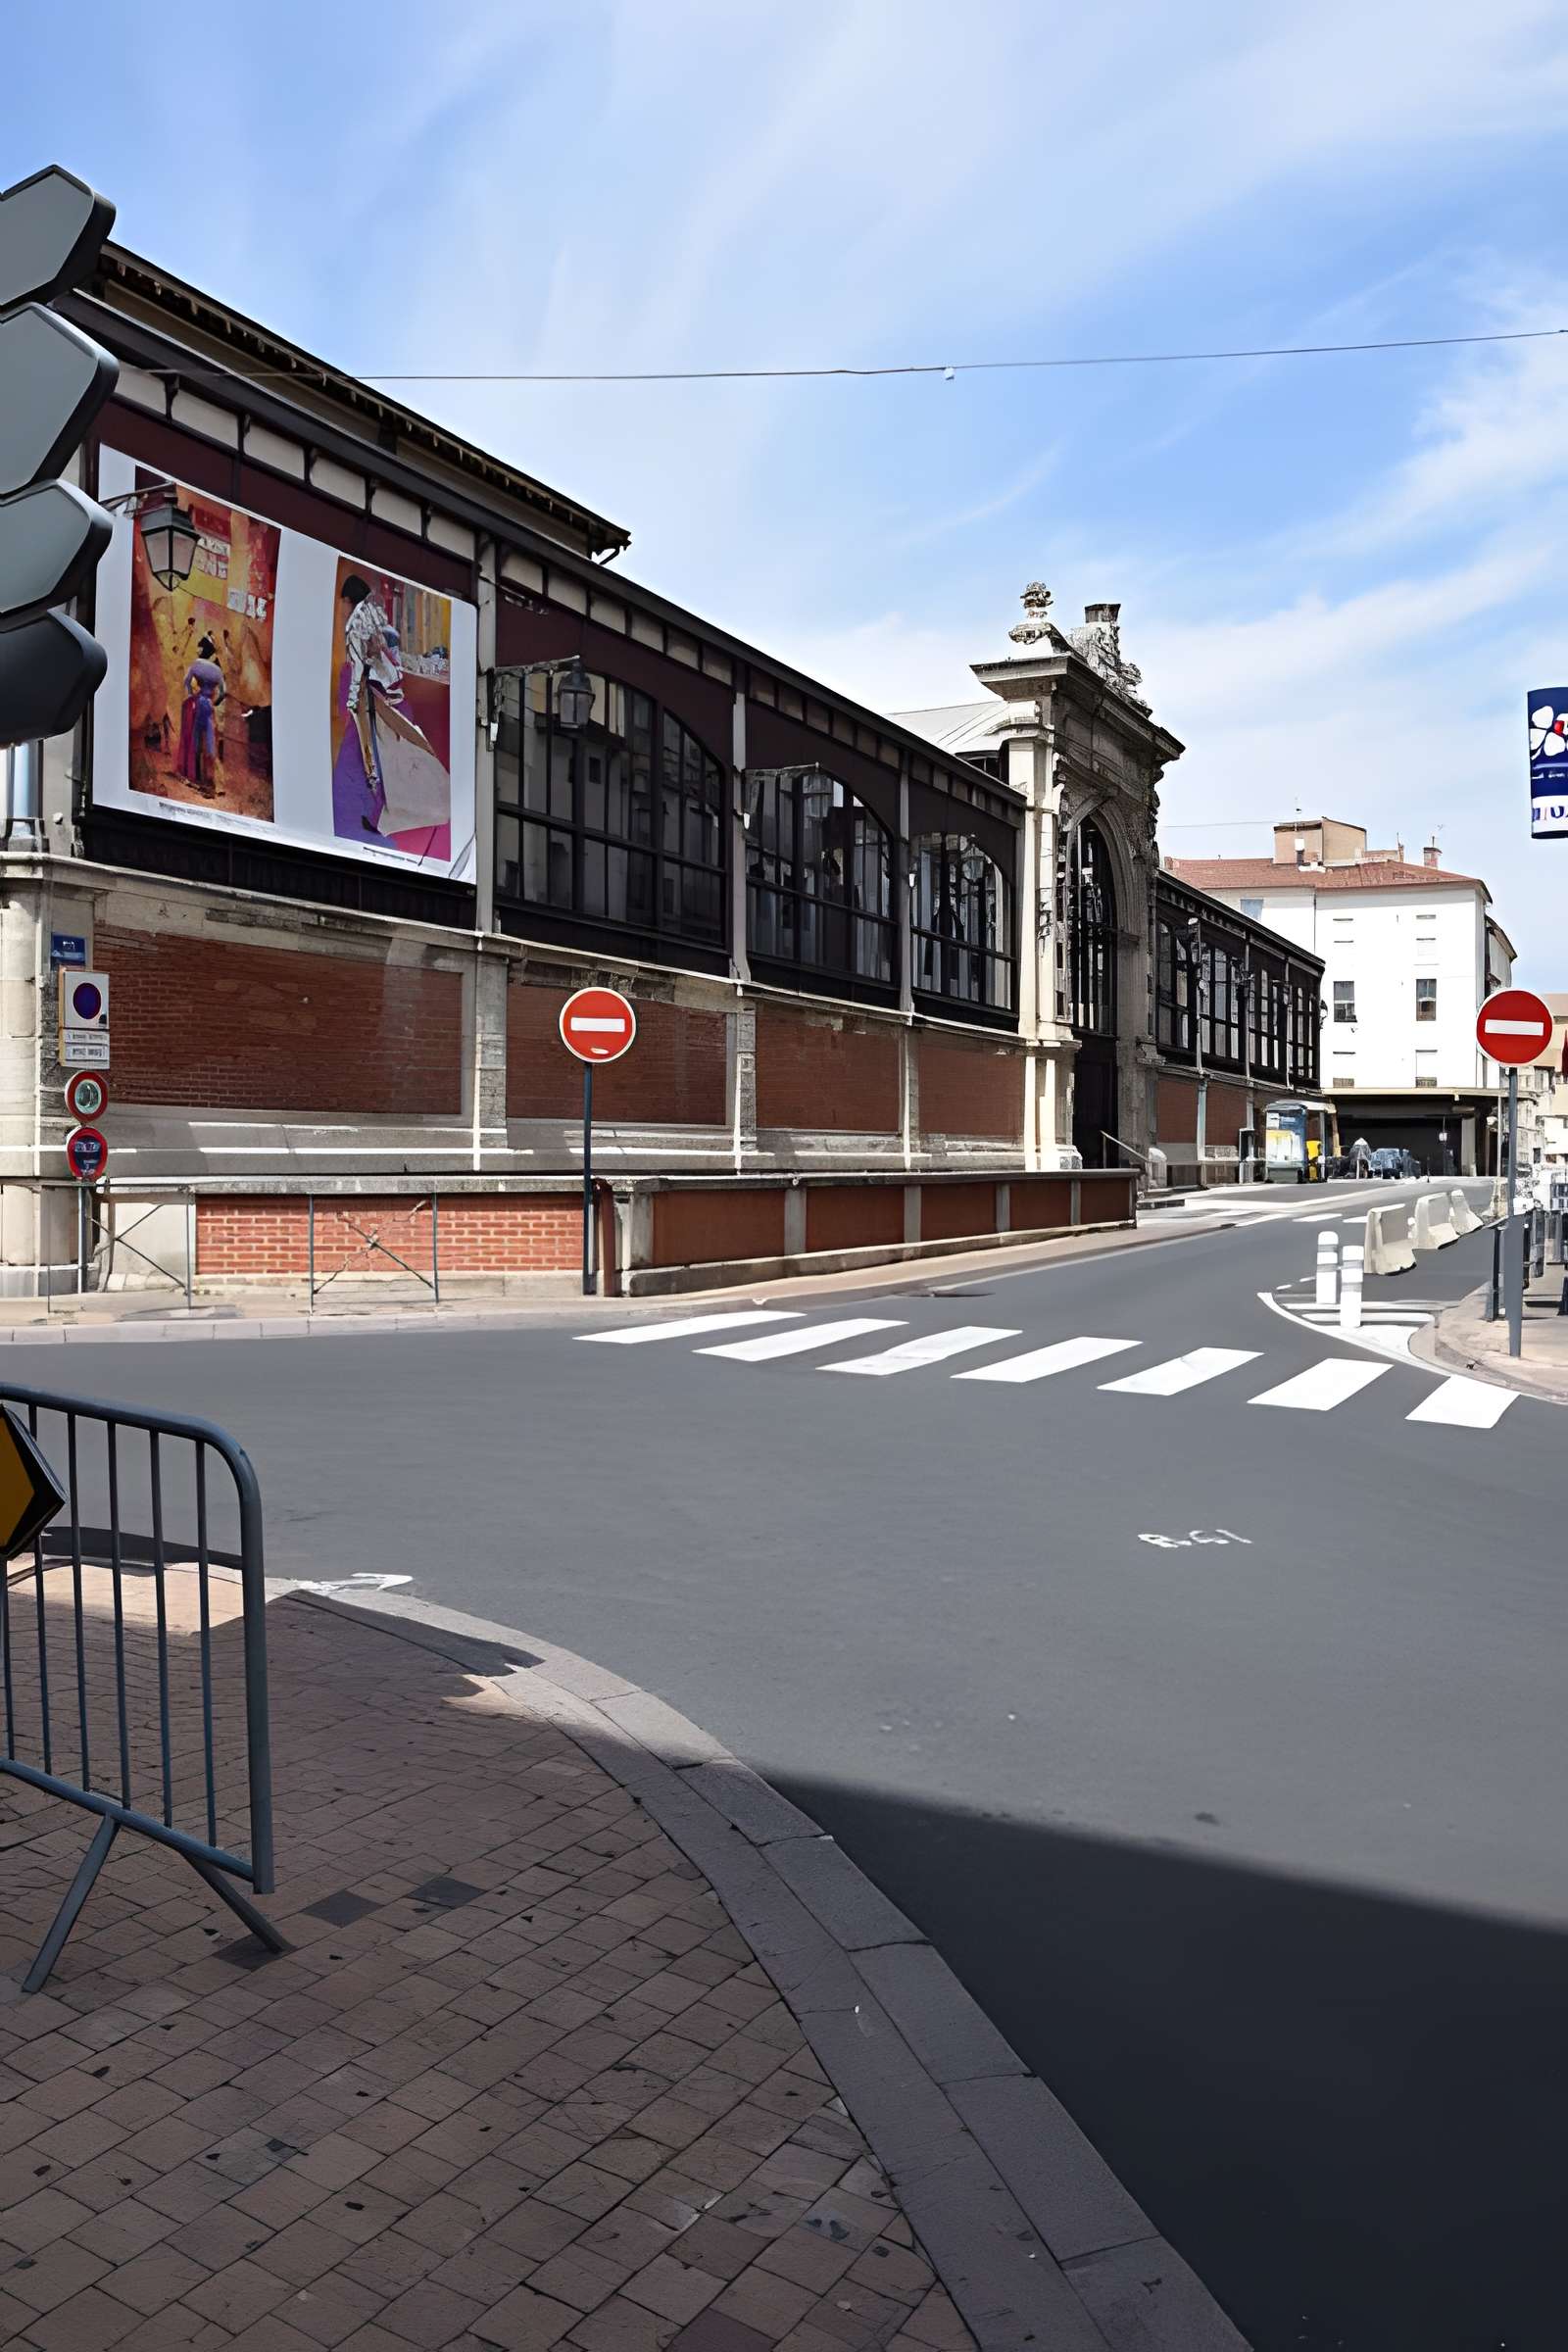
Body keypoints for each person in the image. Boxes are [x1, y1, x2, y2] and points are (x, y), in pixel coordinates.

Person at [177, 635, 225, 797]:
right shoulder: (217, 670)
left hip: (197, 704)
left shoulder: (197, 664)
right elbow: (223, 693)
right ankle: (209, 780)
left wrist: (192, 694)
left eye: (199, 647)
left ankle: (195, 776)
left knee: (195, 739)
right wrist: (215, 701)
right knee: (210, 741)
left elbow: (186, 682)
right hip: (209, 706)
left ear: (202, 649)